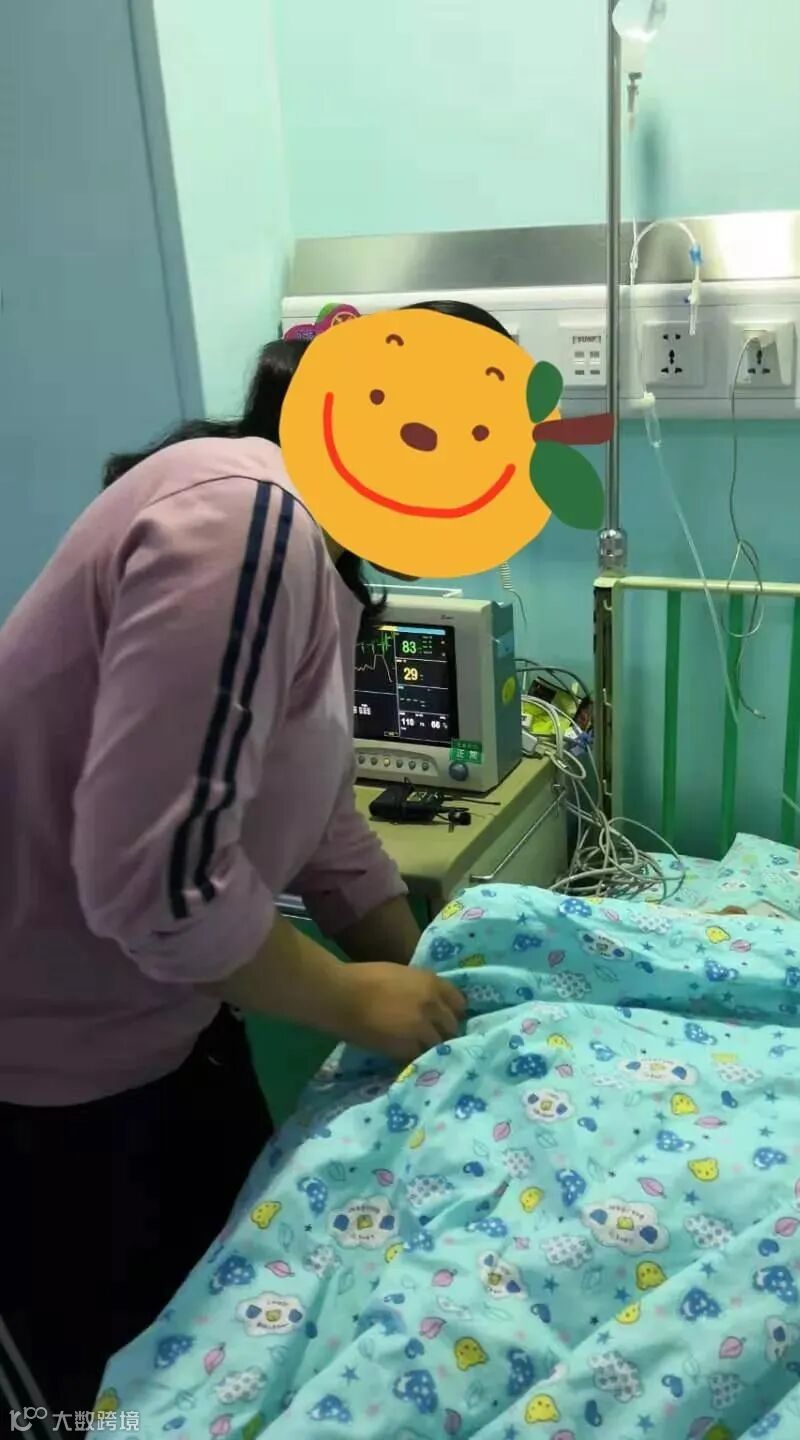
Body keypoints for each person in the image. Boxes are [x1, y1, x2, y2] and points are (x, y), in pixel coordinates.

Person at [0, 299, 510, 1414]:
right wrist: (353, 999)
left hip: (169, 1031)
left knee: (229, 1344)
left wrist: (427, 978)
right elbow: (159, 880)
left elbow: (323, 821)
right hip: (44, 1077)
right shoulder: (246, 518)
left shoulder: (310, 557)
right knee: (102, 1401)